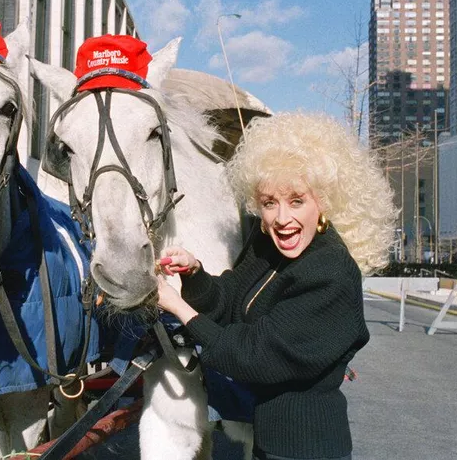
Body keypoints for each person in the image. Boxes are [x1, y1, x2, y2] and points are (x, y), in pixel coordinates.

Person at [156, 112, 396, 460]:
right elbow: (229, 300)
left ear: (324, 202)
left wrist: (180, 308)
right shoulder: (267, 244)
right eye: (270, 202)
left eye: (296, 200)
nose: (282, 219)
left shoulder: (330, 271)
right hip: (269, 441)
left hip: (308, 448)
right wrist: (193, 273)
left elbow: (255, 355)